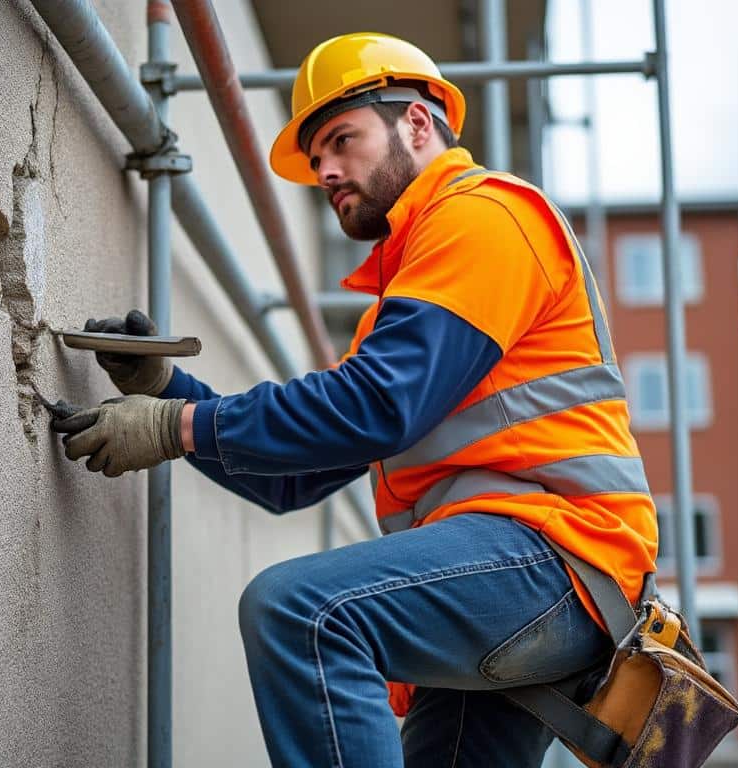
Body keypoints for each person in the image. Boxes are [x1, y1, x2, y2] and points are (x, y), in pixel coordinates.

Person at [53, 32, 658, 768]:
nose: (326, 171)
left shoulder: (483, 218)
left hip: (555, 559)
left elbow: (373, 405)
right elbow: (292, 477)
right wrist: (166, 389)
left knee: (302, 613)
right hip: (518, 574)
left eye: (342, 139)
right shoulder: (407, 295)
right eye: (315, 161)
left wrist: (174, 425)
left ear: (417, 123)